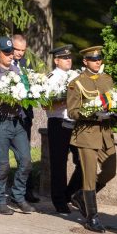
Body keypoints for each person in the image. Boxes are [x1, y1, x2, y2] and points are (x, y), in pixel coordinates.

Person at [0, 35, 41, 203]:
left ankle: (22, 193)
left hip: (21, 117)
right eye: (12, 51)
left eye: (19, 51)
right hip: (1, 119)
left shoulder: (22, 66)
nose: (15, 54)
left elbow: (28, 86)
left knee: (25, 158)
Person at [66, 45, 117, 232]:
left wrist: (116, 114)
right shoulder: (76, 83)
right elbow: (72, 112)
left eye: (99, 59)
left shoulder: (107, 79)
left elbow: (112, 101)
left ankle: (80, 196)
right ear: (85, 61)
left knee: (110, 171)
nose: (97, 62)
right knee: (88, 176)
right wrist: (91, 114)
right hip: (86, 135)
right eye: (94, 60)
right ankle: (91, 217)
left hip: (105, 134)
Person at [45, 46, 82, 214]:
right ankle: (59, 201)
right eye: (64, 57)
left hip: (76, 122)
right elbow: (45, 104)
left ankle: (69, 194)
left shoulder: (77, 76)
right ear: (56, 60)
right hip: (58, 122)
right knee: (59, 164)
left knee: (83, 162)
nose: (68, 60)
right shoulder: (50, 78)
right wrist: (65, 100)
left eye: (70, 57)